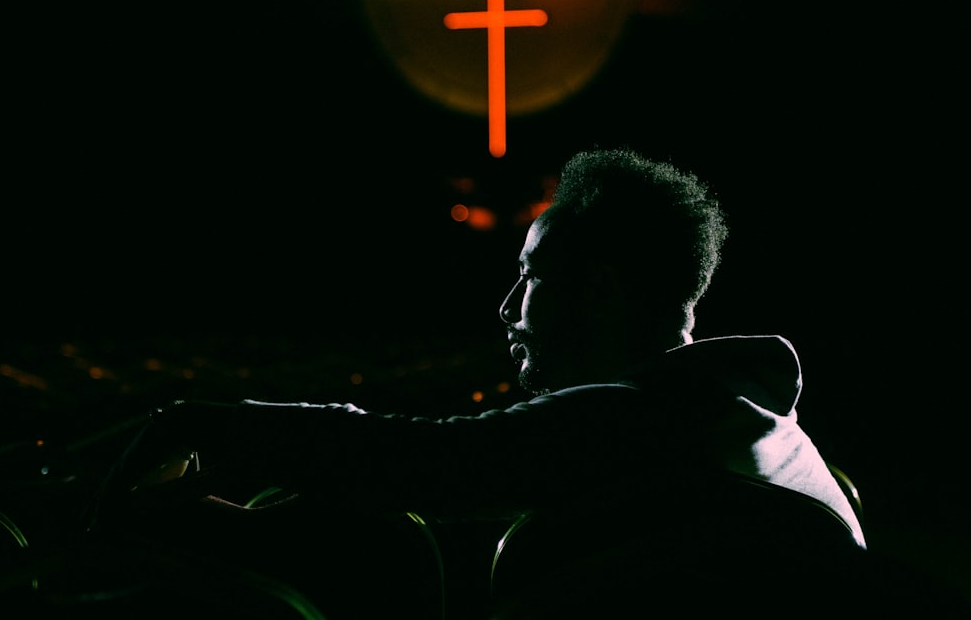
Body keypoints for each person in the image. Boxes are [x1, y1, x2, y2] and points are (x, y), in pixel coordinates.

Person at [89, 146, 871, 615]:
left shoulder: (654, 413)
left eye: (529, 278)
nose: (507, 308)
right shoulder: (754, 423)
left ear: (598, 290)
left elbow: (441, 462)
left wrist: (212, 425)